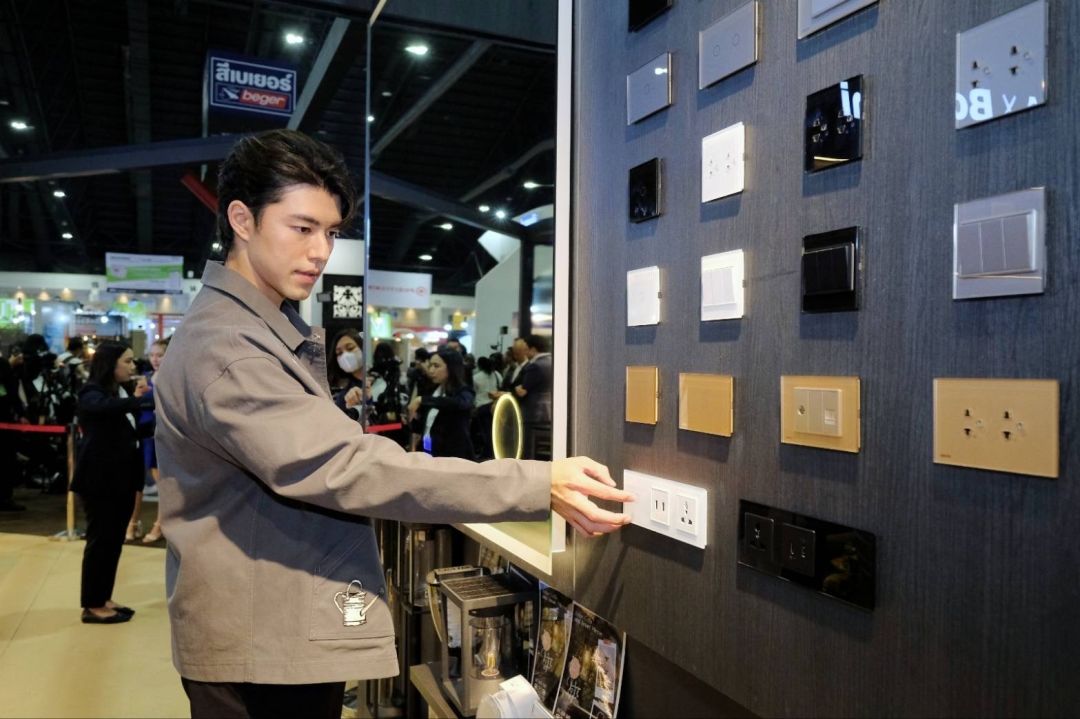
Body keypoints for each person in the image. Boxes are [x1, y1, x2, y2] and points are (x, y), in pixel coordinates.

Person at [153, 128, 632, 718]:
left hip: (267, 624)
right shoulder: (231, 347)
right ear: (241, 220)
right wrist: (535, 483)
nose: (320, 251)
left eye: (331, 232)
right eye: (302, 228)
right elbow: (345, 466)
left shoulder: (252, 329)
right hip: (259, 641)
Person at [72, 341, 153, 624]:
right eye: (127, 361)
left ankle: (103, 597)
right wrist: (144, 400)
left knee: (113, 542)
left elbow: (129, 429)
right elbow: (102, 408)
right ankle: (92, 604)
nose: (132, 366)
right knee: (100, 542)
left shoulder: (119, 392)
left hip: (120, 480)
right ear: (110, 364)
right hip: (100, 481)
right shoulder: (92, 392)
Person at [407, 348, 475, 459]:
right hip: (428, 450)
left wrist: (422, 400)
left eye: (436, 366)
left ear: (451, 368)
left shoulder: (463, 391)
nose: (431, 370)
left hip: (452, 457)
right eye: (430, 365)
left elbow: (459, 403)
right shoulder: (432, 389)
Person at [137, 338, 169, 543]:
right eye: (152, 355)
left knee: (163, 483)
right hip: (144, 433)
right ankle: (135, 522)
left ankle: (160, 524)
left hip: (163, 435)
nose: (155, 359)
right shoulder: (146, 378)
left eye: (160, 355)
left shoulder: (171, 378)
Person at [328, 327, 365, 420]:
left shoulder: (379, 380)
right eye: (339, 353)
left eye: (350, 348)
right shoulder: (343, 397)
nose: (345, 355)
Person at [471, 355, 502, 460]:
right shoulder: (497, 374)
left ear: (480, 365)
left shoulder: (476, 377)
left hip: (481, 406)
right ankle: (493, 451)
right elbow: (500, 386)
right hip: (494, 405)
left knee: (485, 431)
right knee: (493, 430)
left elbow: (474, 392)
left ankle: (486, 452)